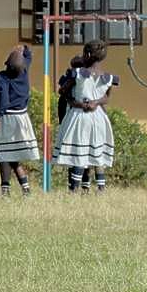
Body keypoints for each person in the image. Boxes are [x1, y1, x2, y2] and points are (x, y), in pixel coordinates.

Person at [54, 40, 118, 191]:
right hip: (99, 117)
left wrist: (76, 102)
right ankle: (100, 189)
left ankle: (74, 190)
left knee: (79, 152)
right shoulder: (107, 77)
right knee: (95, 151)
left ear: (87, 55)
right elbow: (106, 98)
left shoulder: (77, 74)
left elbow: (63, 91)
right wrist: (96, 103)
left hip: (80, 116)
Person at [0, 44, 36, 193]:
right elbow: (29, 58)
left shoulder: (2, 77)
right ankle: (26, 188)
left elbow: (3, 100)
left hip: (8, 118)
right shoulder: (24, 72)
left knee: (4, 155)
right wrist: (24, 48)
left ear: (6, 65)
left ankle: (5, 189)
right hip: (23, 118)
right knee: (15, 156)